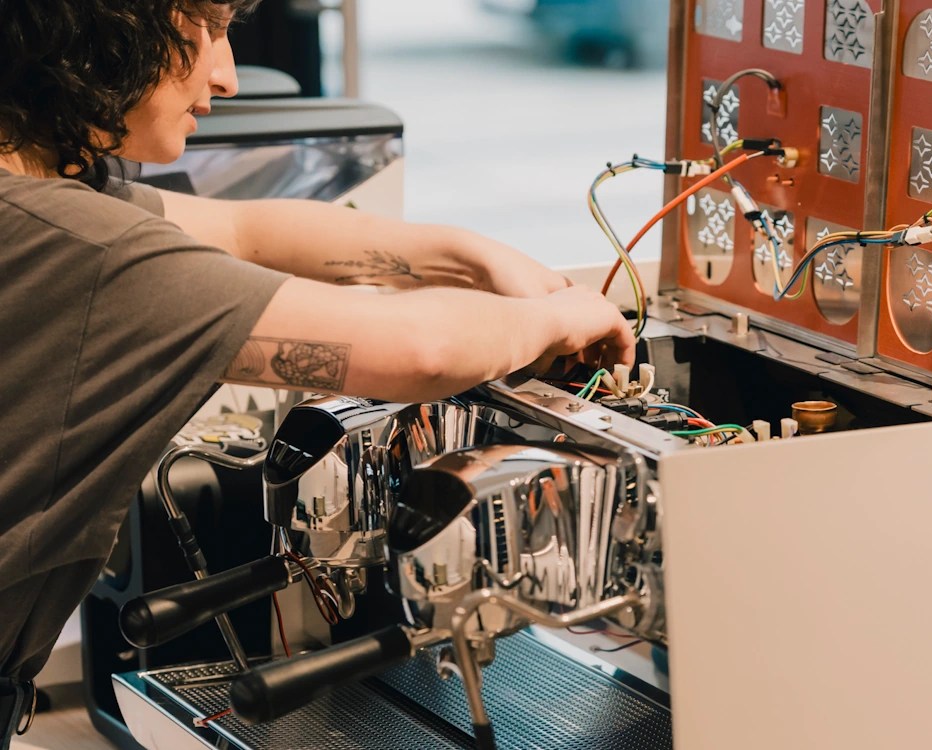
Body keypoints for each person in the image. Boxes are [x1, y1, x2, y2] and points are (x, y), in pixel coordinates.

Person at [0, 0, 635, 743]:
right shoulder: (87, 251)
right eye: (204, 29)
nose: (228, 73)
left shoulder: (39, 196)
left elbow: (245, 231)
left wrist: (471, 255)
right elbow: (417, 353)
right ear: (103, 28)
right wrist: (557, 320)